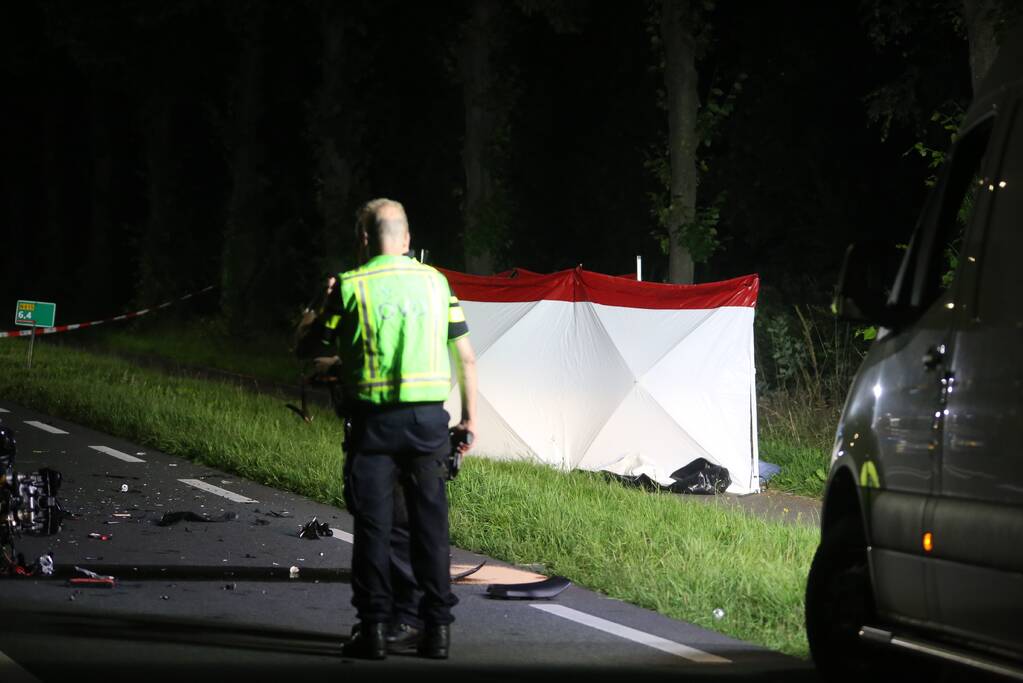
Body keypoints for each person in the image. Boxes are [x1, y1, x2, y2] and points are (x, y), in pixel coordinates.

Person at [306, 197, 477, 660]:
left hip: (374, 425)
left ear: (364, 238)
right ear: (406, 238)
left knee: (374, 528)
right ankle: (437, 631)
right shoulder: (437, 283)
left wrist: (321, 306)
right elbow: (465, 358)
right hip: (428, 425)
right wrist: (468, 420)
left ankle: (375, 630)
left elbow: (313, 344)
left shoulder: (350, 285)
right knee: (430, 527)